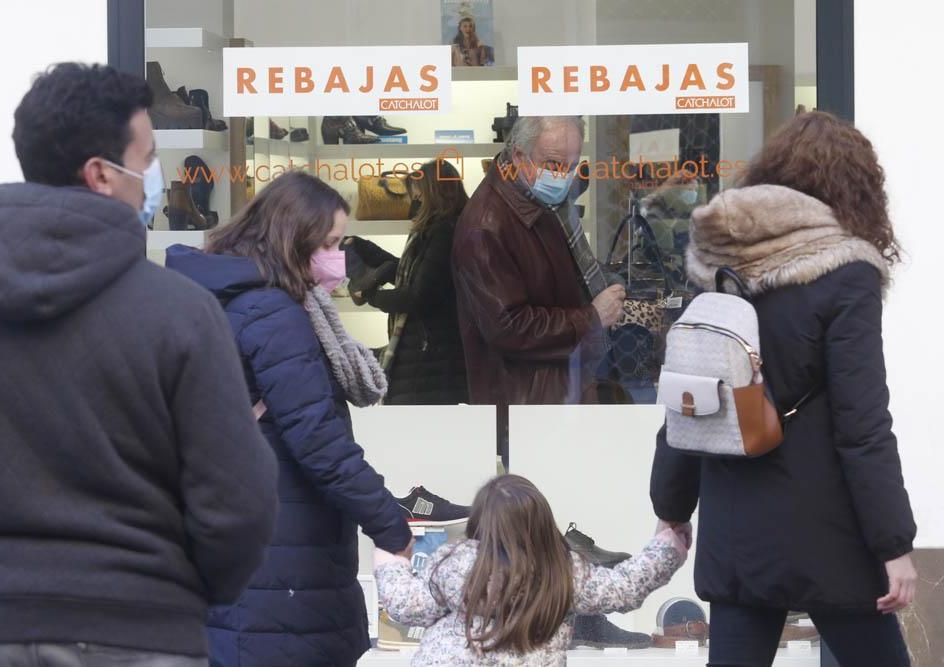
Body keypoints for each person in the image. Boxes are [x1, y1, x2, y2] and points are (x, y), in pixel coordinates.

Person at [0, 63, 278, 665]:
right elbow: (239, 500)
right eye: (147, 159)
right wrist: (184, 594)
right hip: (146, 633)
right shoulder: (181, 313)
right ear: (101, 174)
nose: (158, 178)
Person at [650, 111, 918, 667]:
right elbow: (862, 422)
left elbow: (689, 397)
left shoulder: (717, 261)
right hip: (829, 532)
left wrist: (671, 506)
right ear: (854, 186)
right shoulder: (847, 272)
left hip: (736, 522)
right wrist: (893, 544)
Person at [165, 170, 414, 667]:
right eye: (329, 243)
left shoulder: (216, 296)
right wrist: (391, 525)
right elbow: (319, 442)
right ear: (292, 238)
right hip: (282, 560)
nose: (337, 258)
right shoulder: (274, 313)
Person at [372, 474, 688, 665]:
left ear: (480, 521)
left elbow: (407, 605)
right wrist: (668, 544)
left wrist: (391, 557)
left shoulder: (455, 562)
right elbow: (625, 587)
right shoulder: (562, 570)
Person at [452, 116, 626, 452]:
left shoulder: (540, 203)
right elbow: (508, 326)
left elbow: (556, 278)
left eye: (572, 165)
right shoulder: (487, 226)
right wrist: (591, 316)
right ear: (518, 156)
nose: (562, 175)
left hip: (555, 394)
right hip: (529, 405)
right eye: (552, 164)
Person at [349, 160, 469, 404]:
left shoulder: (444, 232)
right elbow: (416, 275)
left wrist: (371, 295)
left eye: (419, 197)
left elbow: (419, 296)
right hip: (429, 355)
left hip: (430, 357)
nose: (415, 204)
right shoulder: (436, 230)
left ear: (433, 194)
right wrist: (368, 251)